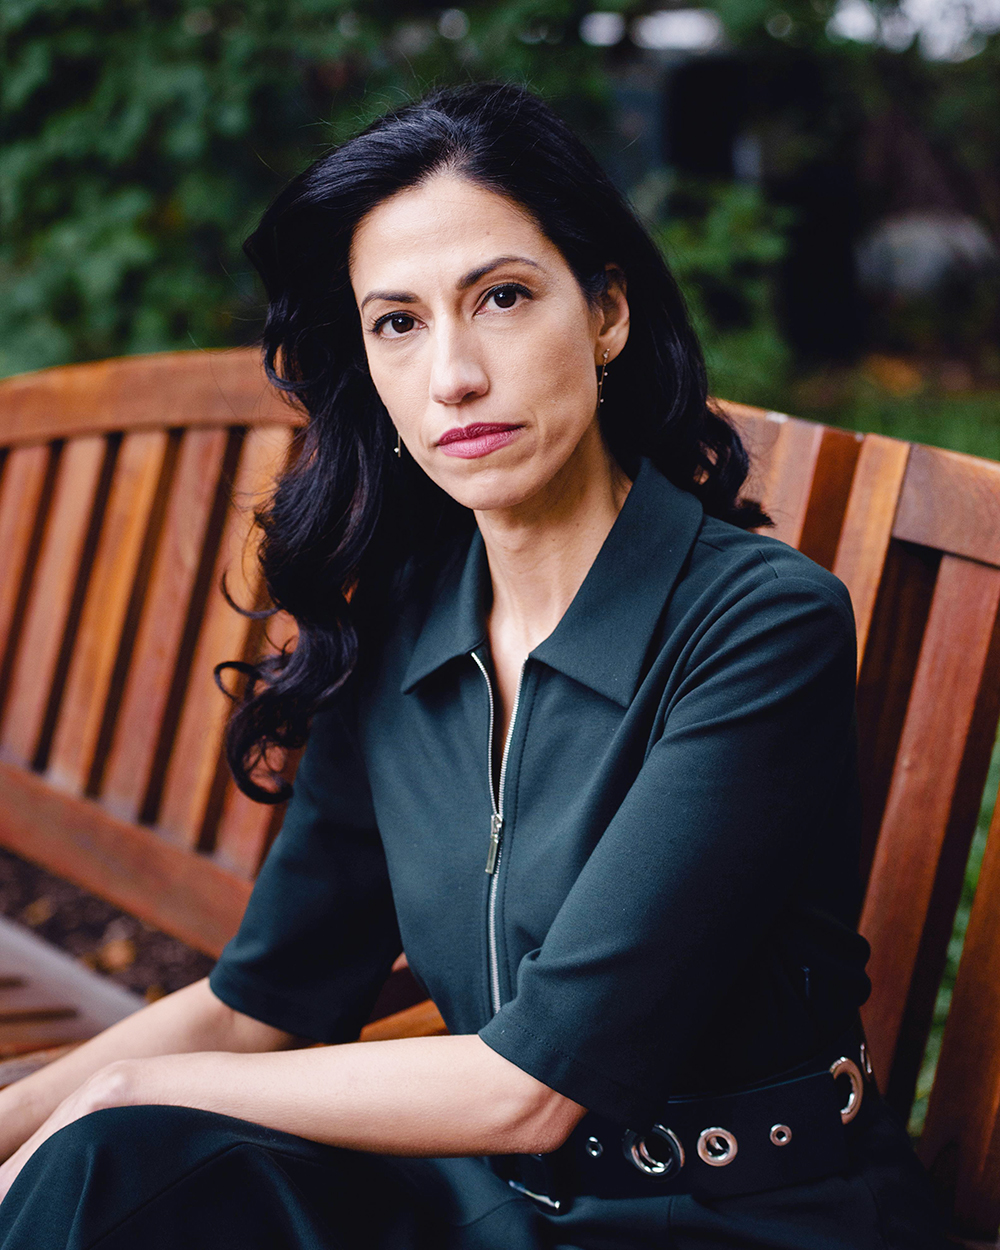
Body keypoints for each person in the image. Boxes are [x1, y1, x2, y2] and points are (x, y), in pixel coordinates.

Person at [0, 83, 945, 1250]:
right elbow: (264, 1004)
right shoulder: (405, 618)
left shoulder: (756, 625)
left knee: (122, 1138)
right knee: (97, 1166)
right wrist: (29, 1107)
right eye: (397, 322)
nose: (451, 375)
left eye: (499, 298)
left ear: (604, 312)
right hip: (491, 1197)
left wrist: (136, 1089)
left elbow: (533, 1083)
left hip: (725, 1217)